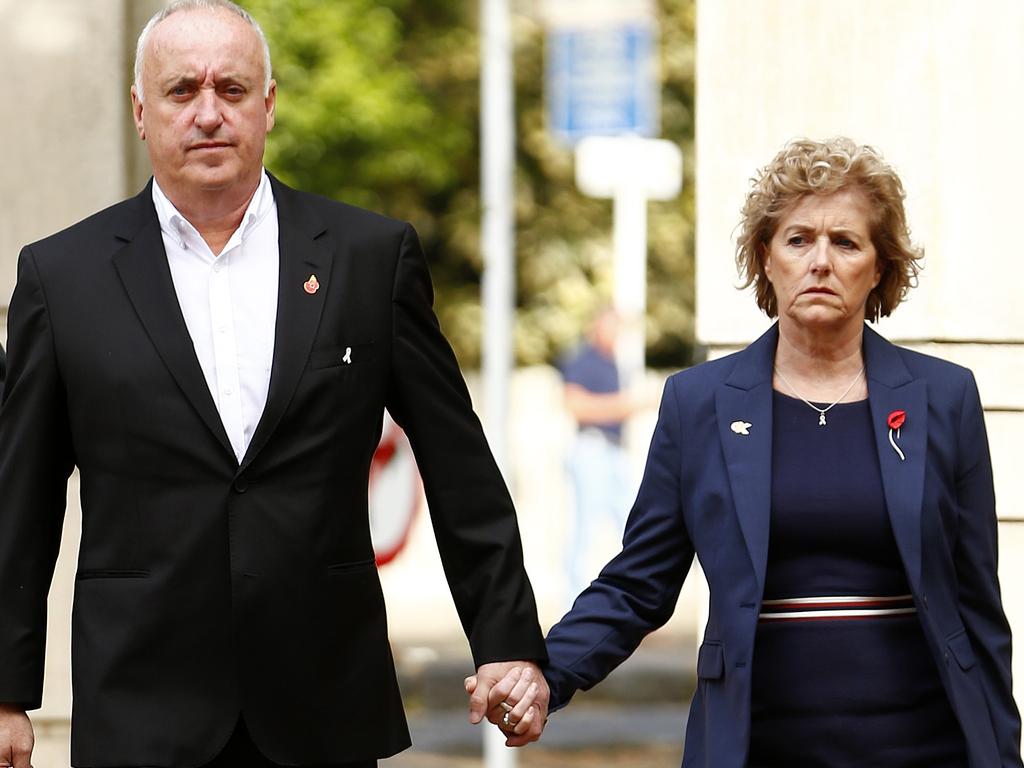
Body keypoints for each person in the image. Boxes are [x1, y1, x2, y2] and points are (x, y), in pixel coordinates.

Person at [0, 2, 548, 766]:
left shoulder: (368, 257)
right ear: (140, 111)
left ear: (269, 103)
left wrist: (508, 643)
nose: (208, 113)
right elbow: (18, 503)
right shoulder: (62, 278)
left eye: (231, 88)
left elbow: (459, 466)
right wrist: (5, 694)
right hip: (141, 707)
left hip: (323, 703)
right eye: (182, 90)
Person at [478, 137, 1023, 766]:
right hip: (756, 740)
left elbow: (979, 602)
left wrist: (1001, 749)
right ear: (766, 259)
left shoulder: (944, 397)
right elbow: (638, 583)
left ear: (879, 267)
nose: (820, 261)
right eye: (798, 240)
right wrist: (550, 673)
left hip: (925, 743)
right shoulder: (699, 402)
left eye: (846, 242)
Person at [559, 307, 645, 601]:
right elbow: (576, 405)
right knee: (585, 528)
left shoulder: (615, 364)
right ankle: (573, 602)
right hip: (592, 449)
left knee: (631, 525)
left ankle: (633, 601)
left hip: (613, 451)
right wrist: (625, 405)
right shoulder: (583, 360)